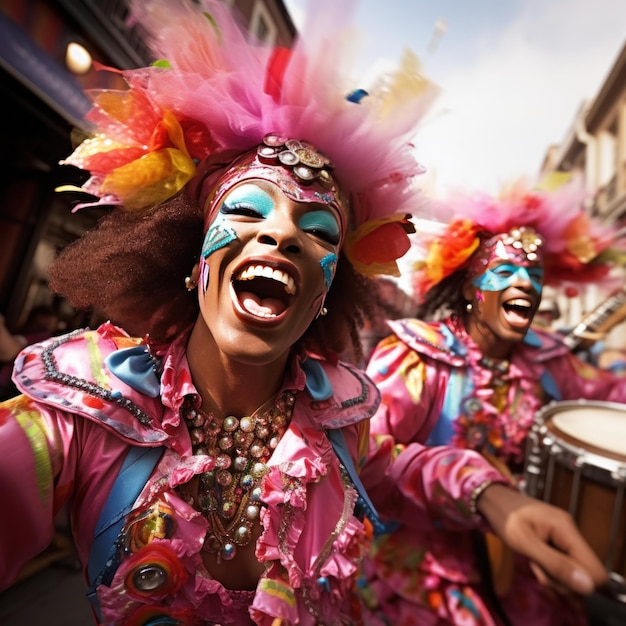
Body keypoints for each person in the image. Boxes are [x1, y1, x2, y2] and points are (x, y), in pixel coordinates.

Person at [0, 1, 607, 624]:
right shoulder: (92, 409)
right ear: (192, 258)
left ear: (325, 293)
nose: (281, 236)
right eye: (246, 212)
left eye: (317, 230)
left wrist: (495, 496)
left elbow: (399, 461)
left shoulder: (338, 420)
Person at [360, 175, 626, 626]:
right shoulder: (418, 354)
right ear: (469, 289)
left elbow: (609, 396)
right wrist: (472, 483)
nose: (524, 283)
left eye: (534, 275)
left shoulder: (548, 359)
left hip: (525, 560)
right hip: (426, 567)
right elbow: (364, 453)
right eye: (504, 273)